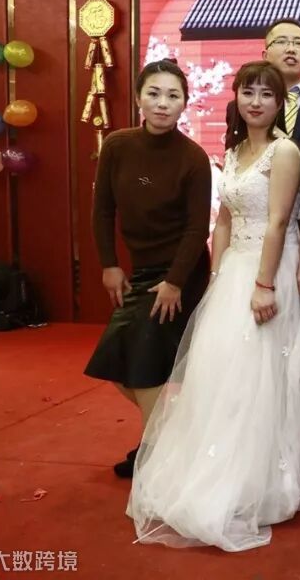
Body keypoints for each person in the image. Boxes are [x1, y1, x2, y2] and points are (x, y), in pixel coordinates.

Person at [127, 61, 300, 551]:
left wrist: (263, 284)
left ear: (280, 104)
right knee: (221, 374)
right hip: (234, 269)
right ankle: (218, 470)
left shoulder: (285, 151)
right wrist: (218, 276)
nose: (256, 102)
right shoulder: (235, 151)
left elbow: (278, 221)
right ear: (236, 97)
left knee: (261, 375)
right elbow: (223, 219)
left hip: (269, 270)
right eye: (248, 92)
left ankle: (261, 481)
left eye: (267, 94)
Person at [84, 60, 211, 479]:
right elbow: (103, 211)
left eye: (173, 96)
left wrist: (175, 282)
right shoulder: (117, 145)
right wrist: (109, 264)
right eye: (154, 93)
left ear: (184, 103)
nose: (162, 103)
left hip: (180, 273)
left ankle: (153, 452)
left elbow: (196, 229)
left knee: (142, 365)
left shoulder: (193, 157)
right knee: (115, 361)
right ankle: (166, 437)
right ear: (139, 97)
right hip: (138, 271)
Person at [226, 18, 300, 149]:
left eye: (298, 43)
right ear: (265, 56)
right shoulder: (240, 106)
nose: (291, 49)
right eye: (281, 41)